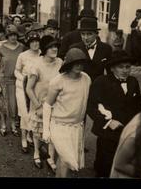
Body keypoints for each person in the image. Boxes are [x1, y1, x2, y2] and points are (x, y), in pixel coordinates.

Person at [87, 50, 141, 177]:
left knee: (124, 163)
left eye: (128, 67)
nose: (125, 70)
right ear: (112, 68)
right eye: (121, 67)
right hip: (108, 131)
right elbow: (91, 107)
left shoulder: (133, 81)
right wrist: (108, 122)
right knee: (105, 165)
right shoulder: (101, 82)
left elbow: (138, 105)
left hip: (127, 130)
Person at [43, 48, 91, 177]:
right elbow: (47, 105)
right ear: (68, 64)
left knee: (67, 163)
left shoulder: (86, 79)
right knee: (65, 159)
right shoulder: (58, 81)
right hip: (59, 126)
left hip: (76, 127)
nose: (79, 65)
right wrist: (46, 130)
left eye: (81, 62)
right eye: (75, 62)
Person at [26, 35, 63, 171]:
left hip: (56, 103)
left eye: (56, 46)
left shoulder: (60, 62)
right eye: (51, 47)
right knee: (38, 132)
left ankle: (50, 157)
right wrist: (38, 106)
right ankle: (36, 152)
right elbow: (29, 88)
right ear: (44, 49)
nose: (54, 49)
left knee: (53, 131)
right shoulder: (36, 65)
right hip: (39, 103)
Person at [0, 25, 25, 137]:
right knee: (3, 103)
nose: (13, 37)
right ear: (7, 36)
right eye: (11, 35)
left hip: (16, 80)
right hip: (3, 79)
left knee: (14, 104)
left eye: (15, 35)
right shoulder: (1, 48)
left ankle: (13, 125)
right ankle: (3, 125)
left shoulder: (22, 47)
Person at [14, 30, 41, 153]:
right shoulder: (23, 55)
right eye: (32, 42)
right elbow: (16, 71)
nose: (35, 44)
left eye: (37, 42)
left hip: (37, 89)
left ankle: (32, 135)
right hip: (22, 87)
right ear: (28, 43)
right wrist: (23, 79)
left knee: (34, 113)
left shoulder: (42, 55)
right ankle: (24, 138)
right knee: (24, 112)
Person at [68, 16, 113, 82]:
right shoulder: (74, 48)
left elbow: (110, 72)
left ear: (96, 34)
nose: (85, 38)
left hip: (98, 87)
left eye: (89, 34)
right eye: (83, 34)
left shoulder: (106, 49)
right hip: (80, 85)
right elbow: (69, 72)